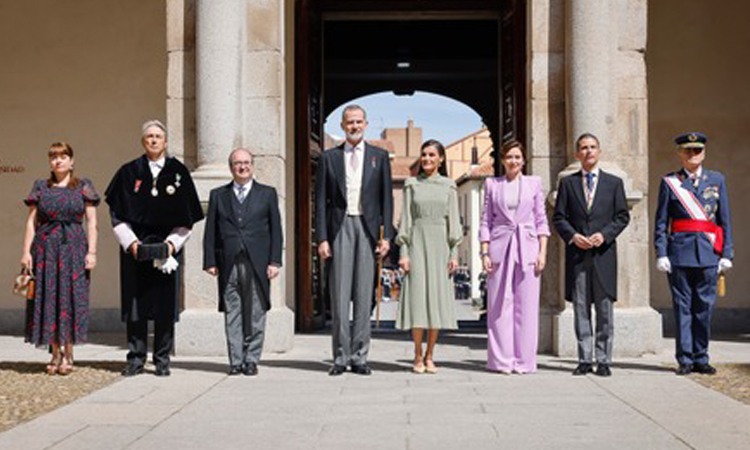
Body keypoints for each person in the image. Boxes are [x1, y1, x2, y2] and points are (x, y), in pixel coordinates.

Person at [105, 120, 203, 377]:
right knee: (136, 306)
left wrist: (172, 244)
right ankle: (136, 359)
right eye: (149, 136)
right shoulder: (128, 172)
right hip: (135, 248)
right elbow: (116, 214)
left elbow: (187, 218)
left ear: (166, 141)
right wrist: (132, 243)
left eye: (158, 136)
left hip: (167, 250)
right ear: (143, 141)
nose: (153, 140)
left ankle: (162, 360)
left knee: (164, 306)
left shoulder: (179, 172)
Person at [315, 104, 393, 376]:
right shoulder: (329, 158)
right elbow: (321, 203)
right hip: (339, 229)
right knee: (339, 295)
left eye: (359, 122)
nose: (355, 126)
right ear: (342, 125)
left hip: (368, 228)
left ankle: (360, 357)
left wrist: (388, 238)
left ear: (366, 124)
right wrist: (322, 238)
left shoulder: (379, 157)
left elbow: (387, 200)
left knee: (363, 295)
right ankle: (339, 356)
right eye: (350, 122)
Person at [654, 132, 733, 376]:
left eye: (697, 150)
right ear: (680, 153)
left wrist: (726, 253)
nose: (692, 155)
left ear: (704, 153)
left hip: (709, 253)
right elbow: (661, 222)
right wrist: (661, 252)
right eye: (688, 151)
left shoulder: (716, 180)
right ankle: (685, 359)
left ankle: (702, 357)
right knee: (682, 307)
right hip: (679, 253)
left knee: (704, 309)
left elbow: (725, 220)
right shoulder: (670, 182)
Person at [553, 133, 630, 377]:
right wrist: (573, 236)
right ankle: (584, 359)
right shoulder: (568, 183)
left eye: (592, 147)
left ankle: (604, 359)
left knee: (605, 310)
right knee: (581, 308)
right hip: (578, 255)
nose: (588, 152)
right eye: (583, 148)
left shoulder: (614, 183)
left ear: (599, 151)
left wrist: (604, 235)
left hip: (603, 254)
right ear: (577, 154)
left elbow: (622, 216)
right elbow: (559, 217)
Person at [20, 142, 99, 375]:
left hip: (74, 246)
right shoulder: (40, 187)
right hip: (45, 249)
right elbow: (31, 222)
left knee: (71, 297)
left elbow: (92, 222)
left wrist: (92, 251)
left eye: (63, 156)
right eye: (54, 156)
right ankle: (55, 353)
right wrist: (26, 252)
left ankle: (69, 352)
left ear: (71, 161)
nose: (58, 160)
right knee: (49, 296)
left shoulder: (83, 186)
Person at [203, 148, 283, 376]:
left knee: (256, 313)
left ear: (252, 165)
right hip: (228, 263)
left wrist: (275, 261)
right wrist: (210, 260)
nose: (243, 166)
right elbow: (211, 231)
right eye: (238, 163)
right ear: (231, 167)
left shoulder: (267, 194)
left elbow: (276, 230)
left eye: (247, 162)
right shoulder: (218, 195)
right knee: (233, 312)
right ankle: (235, 361)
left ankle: (251, 359)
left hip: (257, 263)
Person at [479, 140, 550, 374]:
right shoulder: (492, 184)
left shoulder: (534, 184)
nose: (513, 161)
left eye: (517, 157)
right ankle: (501, 360)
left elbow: (541, 220)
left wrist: (542, 252)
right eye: (509, 157)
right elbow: (485, 221)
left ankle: (525, 361)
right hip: (500, 247)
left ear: (524, 160)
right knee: (499, 305)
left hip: (527, 248)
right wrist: (485, 252)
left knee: (527, 306)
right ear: (502, 160)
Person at [396, 139, 462, 374]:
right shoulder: (411, 184)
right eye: (424, 155)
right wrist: (404, 251)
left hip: (441, 247)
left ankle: (430, 354)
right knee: (417, 302)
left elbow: (454, 221)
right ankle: (416, 354)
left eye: (432, 155)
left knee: (435, 301)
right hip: (416, 244)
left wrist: (454, 252)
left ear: (441, 159)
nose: (427, 159)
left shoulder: (449, 186)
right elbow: (407, 220)